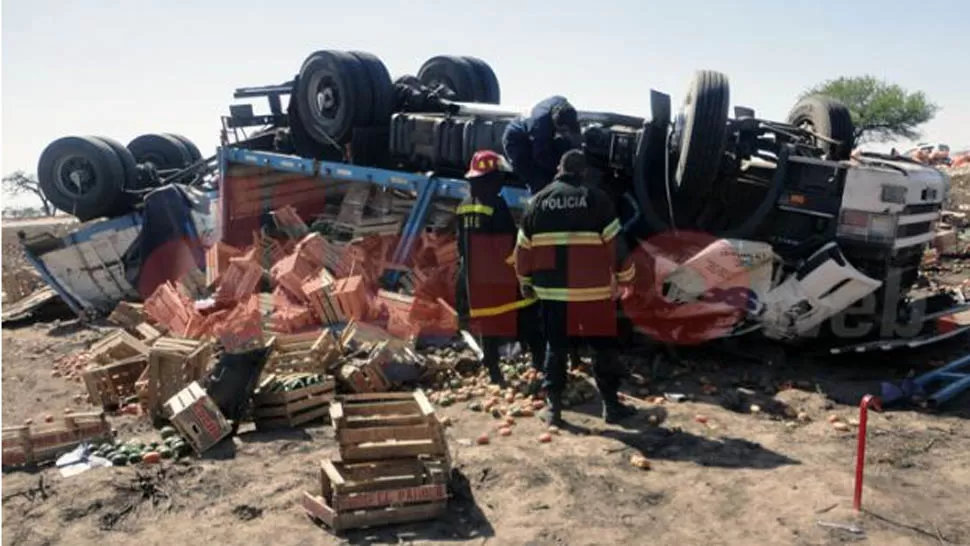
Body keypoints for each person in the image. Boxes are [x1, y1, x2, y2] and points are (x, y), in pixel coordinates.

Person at [514, 150, 637, 426]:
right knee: (602, 347)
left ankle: (554, 410)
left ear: (559, 169)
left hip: (552, 293)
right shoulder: (597, 200)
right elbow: (616, 246)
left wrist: (526, 282)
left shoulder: (537, 202)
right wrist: (626, 278)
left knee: (555, 347)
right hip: (592, 292)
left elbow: (523, 251)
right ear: (583, 173)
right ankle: (611, 407)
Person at [456, 150, 546, 386]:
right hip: (502, 279)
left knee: (488, 325)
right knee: (527, 315)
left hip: (476, 280)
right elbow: (507, 246)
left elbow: (461, 247)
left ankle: (494, 372)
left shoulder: (463, 206)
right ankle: (539, 364)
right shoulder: (496, 204)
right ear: (491, 179)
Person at [502, 96, 582, 193]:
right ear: (555, 124)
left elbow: (575, 141)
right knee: (537, 179)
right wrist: (560, 170)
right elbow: (541, 155)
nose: (565, 133)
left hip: (540, 134)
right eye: (562, 131)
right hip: (517, 141)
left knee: (563, 145)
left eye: (567, 130)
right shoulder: (540, 124)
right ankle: (538, 200)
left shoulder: (565, 106)